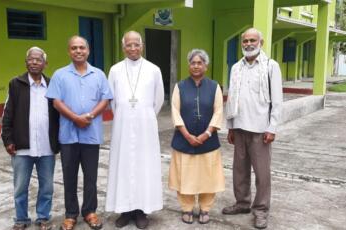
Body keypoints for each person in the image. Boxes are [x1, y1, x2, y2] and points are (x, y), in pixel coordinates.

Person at [45, 36, 113, 230]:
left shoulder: (99, 74)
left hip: (91, 135)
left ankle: (90, 211)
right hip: (68, 135)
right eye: (74, 48)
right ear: (69, 51)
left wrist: (89, 116)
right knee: (69, 176)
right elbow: (56, 102)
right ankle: (71, 214)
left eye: (81, 47)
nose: (78, 51)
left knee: (90, 176)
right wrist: (75, 118)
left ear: (88, 50)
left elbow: (105, 99)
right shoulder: (59, 75)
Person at [222, 28, 283, 229]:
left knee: (262, 173)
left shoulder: (270, 67)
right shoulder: (236, 68)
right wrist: (230, 126)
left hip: (260, 129)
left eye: (252, 40)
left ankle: (261, 210)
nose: (248, 44)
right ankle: (242, 203)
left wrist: (272, 127)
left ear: (261, 42)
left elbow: (277, 101)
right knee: (239, 171)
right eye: (245, 41)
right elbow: (231, 98)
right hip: (239, 126)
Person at [105, 31, 164, 229]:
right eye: (128, 45)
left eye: (136, 45)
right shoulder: (114, 70)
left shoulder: (154, 70)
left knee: (144, 166)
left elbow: (158, 99)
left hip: (145, 126)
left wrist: (143, 115)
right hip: (122, 125)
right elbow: (112, 101)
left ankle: (141, 210)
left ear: (142, 46)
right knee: (123, 166)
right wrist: (125, 115)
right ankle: (125, 210)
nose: (132, 48)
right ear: (123, 47)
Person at [1, 46, 60, 230]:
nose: (34, 62)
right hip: (21, 147)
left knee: (47, 187)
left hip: (46, 147)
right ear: (26, 62)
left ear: (45, 63)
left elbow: (58, 115)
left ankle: (43, 217)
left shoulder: (52, 85)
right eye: (31, 59)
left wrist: (58, 142)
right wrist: (8, 139)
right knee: (20, 187)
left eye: (38, 59)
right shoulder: (15, 84)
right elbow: (7, 114)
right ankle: (21, 220)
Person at [168, 49, 225, 225]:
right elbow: (175, 111)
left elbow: (218, 112)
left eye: (200, 63)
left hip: (208, 142)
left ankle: (205, 209)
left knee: (207, 176)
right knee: (185, 175)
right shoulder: (180, 86)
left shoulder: (214, 87)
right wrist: (186, 134)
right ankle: (187, 208)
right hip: (183, 141)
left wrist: (207, 133)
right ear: (188, 65)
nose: (196, 66)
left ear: (206, 66)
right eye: (193, 62)